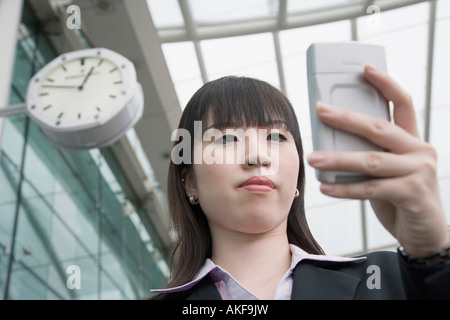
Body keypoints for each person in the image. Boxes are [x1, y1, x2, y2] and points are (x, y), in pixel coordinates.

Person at [150, 64, 450, 300]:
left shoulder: (390, 281)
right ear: (189, 182)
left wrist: (434, 253)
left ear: (298, 175)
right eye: (227, 138)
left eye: (277, 137)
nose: (257, 156)